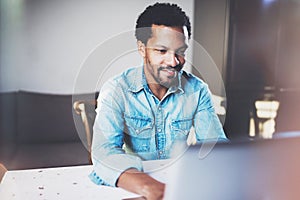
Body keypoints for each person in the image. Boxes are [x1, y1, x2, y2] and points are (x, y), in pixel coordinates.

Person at [90, 2, 227, 199]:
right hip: (135, 185)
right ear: (142, 49)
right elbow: (104, 153)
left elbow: (215, 148)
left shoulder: (197, 90)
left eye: (180, 52)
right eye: (162, 51)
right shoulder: (116, 90)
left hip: (182, 186)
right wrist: (152, 189)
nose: (173, 62)